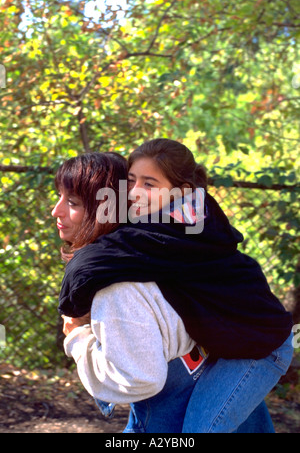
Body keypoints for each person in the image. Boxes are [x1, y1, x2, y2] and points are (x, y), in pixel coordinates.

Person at [54, 144, 293, 433]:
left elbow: (140, 377)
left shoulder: (149, 255)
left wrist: (78, 335)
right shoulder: (152, 241)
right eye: (130, 182)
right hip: (223, 347)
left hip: (261, 345)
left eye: (74, 202)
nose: (134, 193)